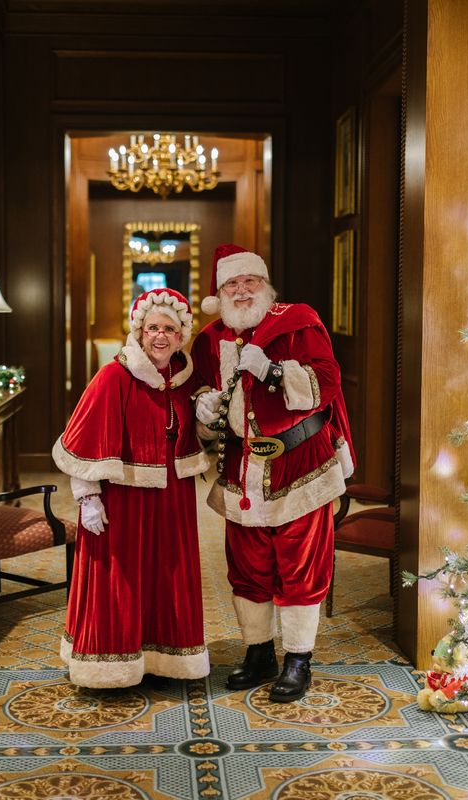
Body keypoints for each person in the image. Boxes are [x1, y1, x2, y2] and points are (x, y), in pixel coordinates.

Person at [192, 243, 354, 703]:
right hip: (242, 470)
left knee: (300, 566)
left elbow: (329, 382)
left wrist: (276, 372)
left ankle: (298, 659)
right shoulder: (208, 340)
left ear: (265, 285)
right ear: (219, 292)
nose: (242, 291)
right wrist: (202, 409)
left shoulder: (299, 321)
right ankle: (259, 653)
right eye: (232, 285)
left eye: (250, 282)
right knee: (247, 567)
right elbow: (204, 401)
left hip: (301, 463)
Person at [52, 287, 211, 688]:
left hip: (172, 497)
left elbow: (198, 433)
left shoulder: (185, 379)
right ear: (139, 332)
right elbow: (82, 438)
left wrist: (208, 416)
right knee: (119, 577)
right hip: (124, 498)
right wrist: (88, 497)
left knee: (167, 574)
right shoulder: (114, 375)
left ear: (181, 336)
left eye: (169, 329)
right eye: (152, 327)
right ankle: (109, 666)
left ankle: (161, 658)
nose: (160, 336)